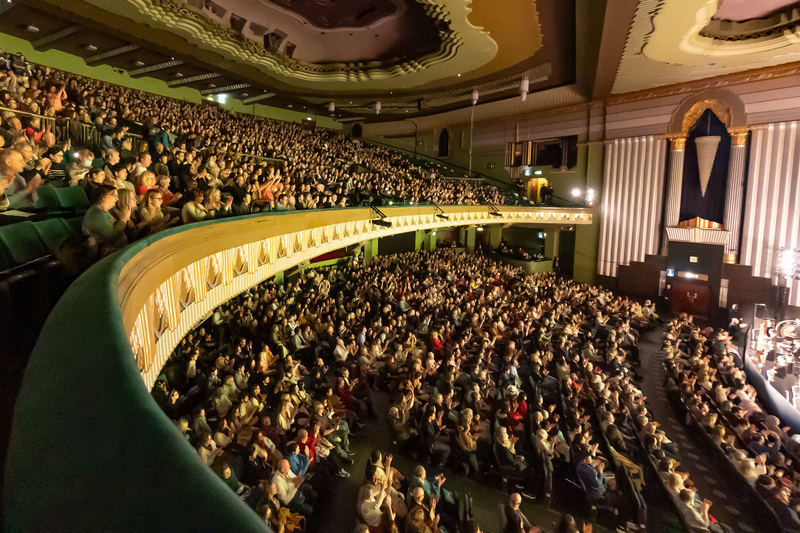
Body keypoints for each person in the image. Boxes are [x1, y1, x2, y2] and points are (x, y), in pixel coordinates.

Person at [82, 184, 129, 253]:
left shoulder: (107, 210)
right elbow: (111, 237)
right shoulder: (97, 214)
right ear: (102, 197)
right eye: (114, 195)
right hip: (103, 252)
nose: (117, 199)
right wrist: (123, 221)